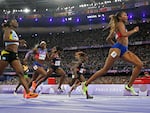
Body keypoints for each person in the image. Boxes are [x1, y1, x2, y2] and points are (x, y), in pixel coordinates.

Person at [82, 11, 143, 96]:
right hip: (117, 50)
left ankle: (129, 86)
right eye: (125, 15)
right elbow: (124, 34)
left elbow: (108, 39)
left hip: (124, 50)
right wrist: (134, 30)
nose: (127, 16)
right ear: (120, 18)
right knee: (105, 70)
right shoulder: (120, 24)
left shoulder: (118, 26)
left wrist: (116, 45)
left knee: (139, 64)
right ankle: (85, 84)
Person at [0, 19, 38, 98]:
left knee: (21, 73)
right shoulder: (8, 30)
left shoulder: (13, 32)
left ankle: (28, 93)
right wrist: (19, 41)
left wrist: (19, 44)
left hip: (14, 55)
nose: (17, 23)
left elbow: (12, 42)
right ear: (10, 23)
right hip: (7, 54)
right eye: (15, 21)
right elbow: (5, 39)